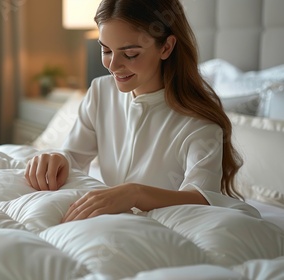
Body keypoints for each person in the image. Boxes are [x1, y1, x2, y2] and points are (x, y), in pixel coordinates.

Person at [24, 0, 242, 223]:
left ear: (166, 47)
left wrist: (135, 193)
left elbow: (203, 198)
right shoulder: (101, 91)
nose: (113, 65)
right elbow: (74, 157)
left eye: (130, 54)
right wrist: (56, 158)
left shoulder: (199, 124)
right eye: (106, 50)